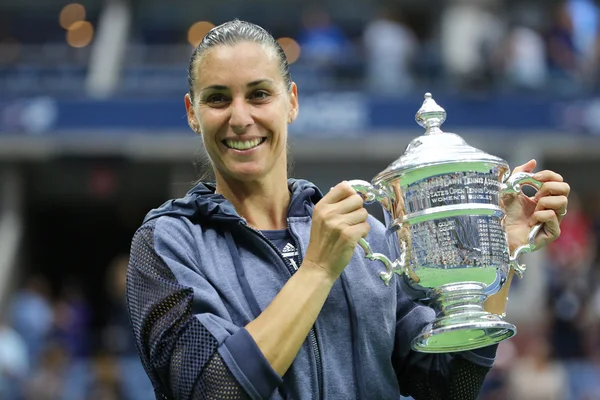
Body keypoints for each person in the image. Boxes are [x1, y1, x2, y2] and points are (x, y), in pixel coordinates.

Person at [125, 19, 570, 400]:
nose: (240, 118)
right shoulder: (168, 243)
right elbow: (213, 390)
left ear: (292, 101)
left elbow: (447, 386)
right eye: (218, 98)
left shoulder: (368, 238)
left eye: (259, 94)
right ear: (192, 112)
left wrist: (496, 257)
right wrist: (318, 268)